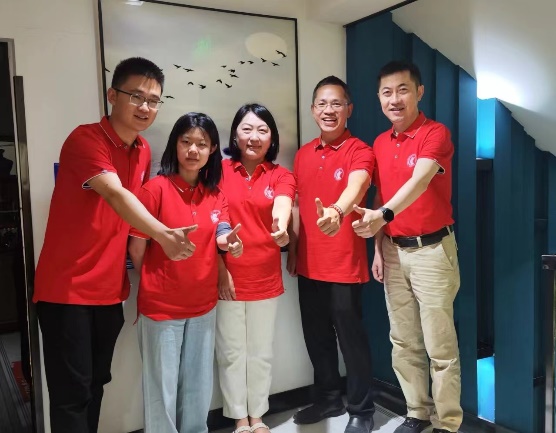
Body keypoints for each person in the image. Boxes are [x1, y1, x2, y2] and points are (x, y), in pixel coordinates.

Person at [32, 57, 191, 433]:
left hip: (109, 292)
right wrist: (164, 234)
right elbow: (117, 195)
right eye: (136, 96)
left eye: (153, 100)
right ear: (112, 95)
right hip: (67, 291)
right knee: (72, 396)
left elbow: (133, 211)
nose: (145, 107)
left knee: (95, 385)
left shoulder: (143, 150)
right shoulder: (85, 139)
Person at [352, 60, 462, 433]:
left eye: (403, 90)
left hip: (432, 250)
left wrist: (382, 215)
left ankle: (447, 424)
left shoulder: (435, 133)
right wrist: (378, 247)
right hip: (394, 250)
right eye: (387, 92)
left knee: (440, 346)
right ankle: (417, 412)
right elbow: (382, 195)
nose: (395, 99)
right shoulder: (381, 143)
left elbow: (420, 180)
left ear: (419, 92)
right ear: (379, 98)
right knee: (403, 340)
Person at [128, 112, 243, 433]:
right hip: (161, 308)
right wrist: (159, 280)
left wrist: (230, 243)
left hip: (203, 305)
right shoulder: (155, 190)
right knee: (161, 390)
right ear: (175, 145)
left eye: (202, 144)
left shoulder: (215, 194)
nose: (193, 150)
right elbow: (136, 248)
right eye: (186, 142)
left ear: (212, 149)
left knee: (198, 386)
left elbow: (221, 233)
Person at [287, 76, 376, 433]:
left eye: (336, 103)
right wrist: (294, 248)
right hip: (309, 262)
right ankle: (327, 399)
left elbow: (357, 185)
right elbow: (297, 205)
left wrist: (337, 210)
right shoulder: (303, 154)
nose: (329, 110)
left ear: (348, 109)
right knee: (317, 337)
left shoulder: (360, 150)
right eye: (322, 104)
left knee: (351, 341)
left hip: (344, 264)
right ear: (312, 110)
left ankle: (362, 409)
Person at [216, 103, 296, 433]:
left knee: (261, 352)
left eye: (262, 130)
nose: (254, 137)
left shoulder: (281, 175)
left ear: (272, 138)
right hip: (227, 278)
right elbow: (214, 219)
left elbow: (283, 204)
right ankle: (239, 419)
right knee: (232, 352)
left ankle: (258, 416)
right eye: (247, 129)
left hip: (265, 277)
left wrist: (281, 227)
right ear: (235, 134)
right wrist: (221, 270)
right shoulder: (218, 171)